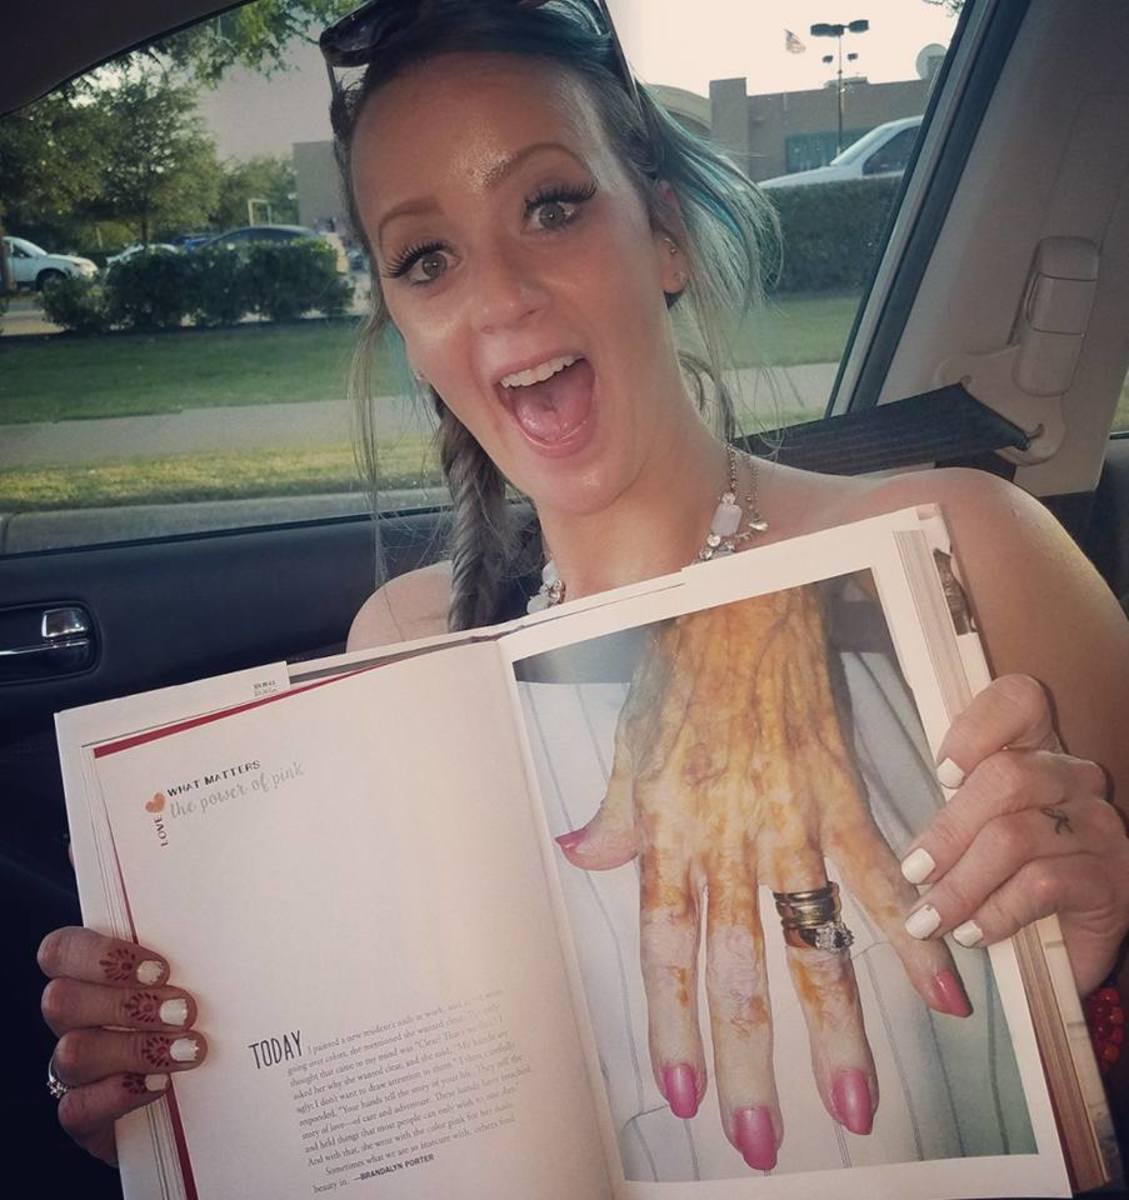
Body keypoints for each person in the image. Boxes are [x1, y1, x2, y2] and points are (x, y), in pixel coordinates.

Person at [37, 0, 1129, 1176]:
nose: (499, 296)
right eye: (427, 257)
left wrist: (1101, 974)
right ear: (404, 325)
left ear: (661, 232)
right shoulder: (397, 649)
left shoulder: (966, 548)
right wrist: (187, 1101)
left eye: (550, 206)